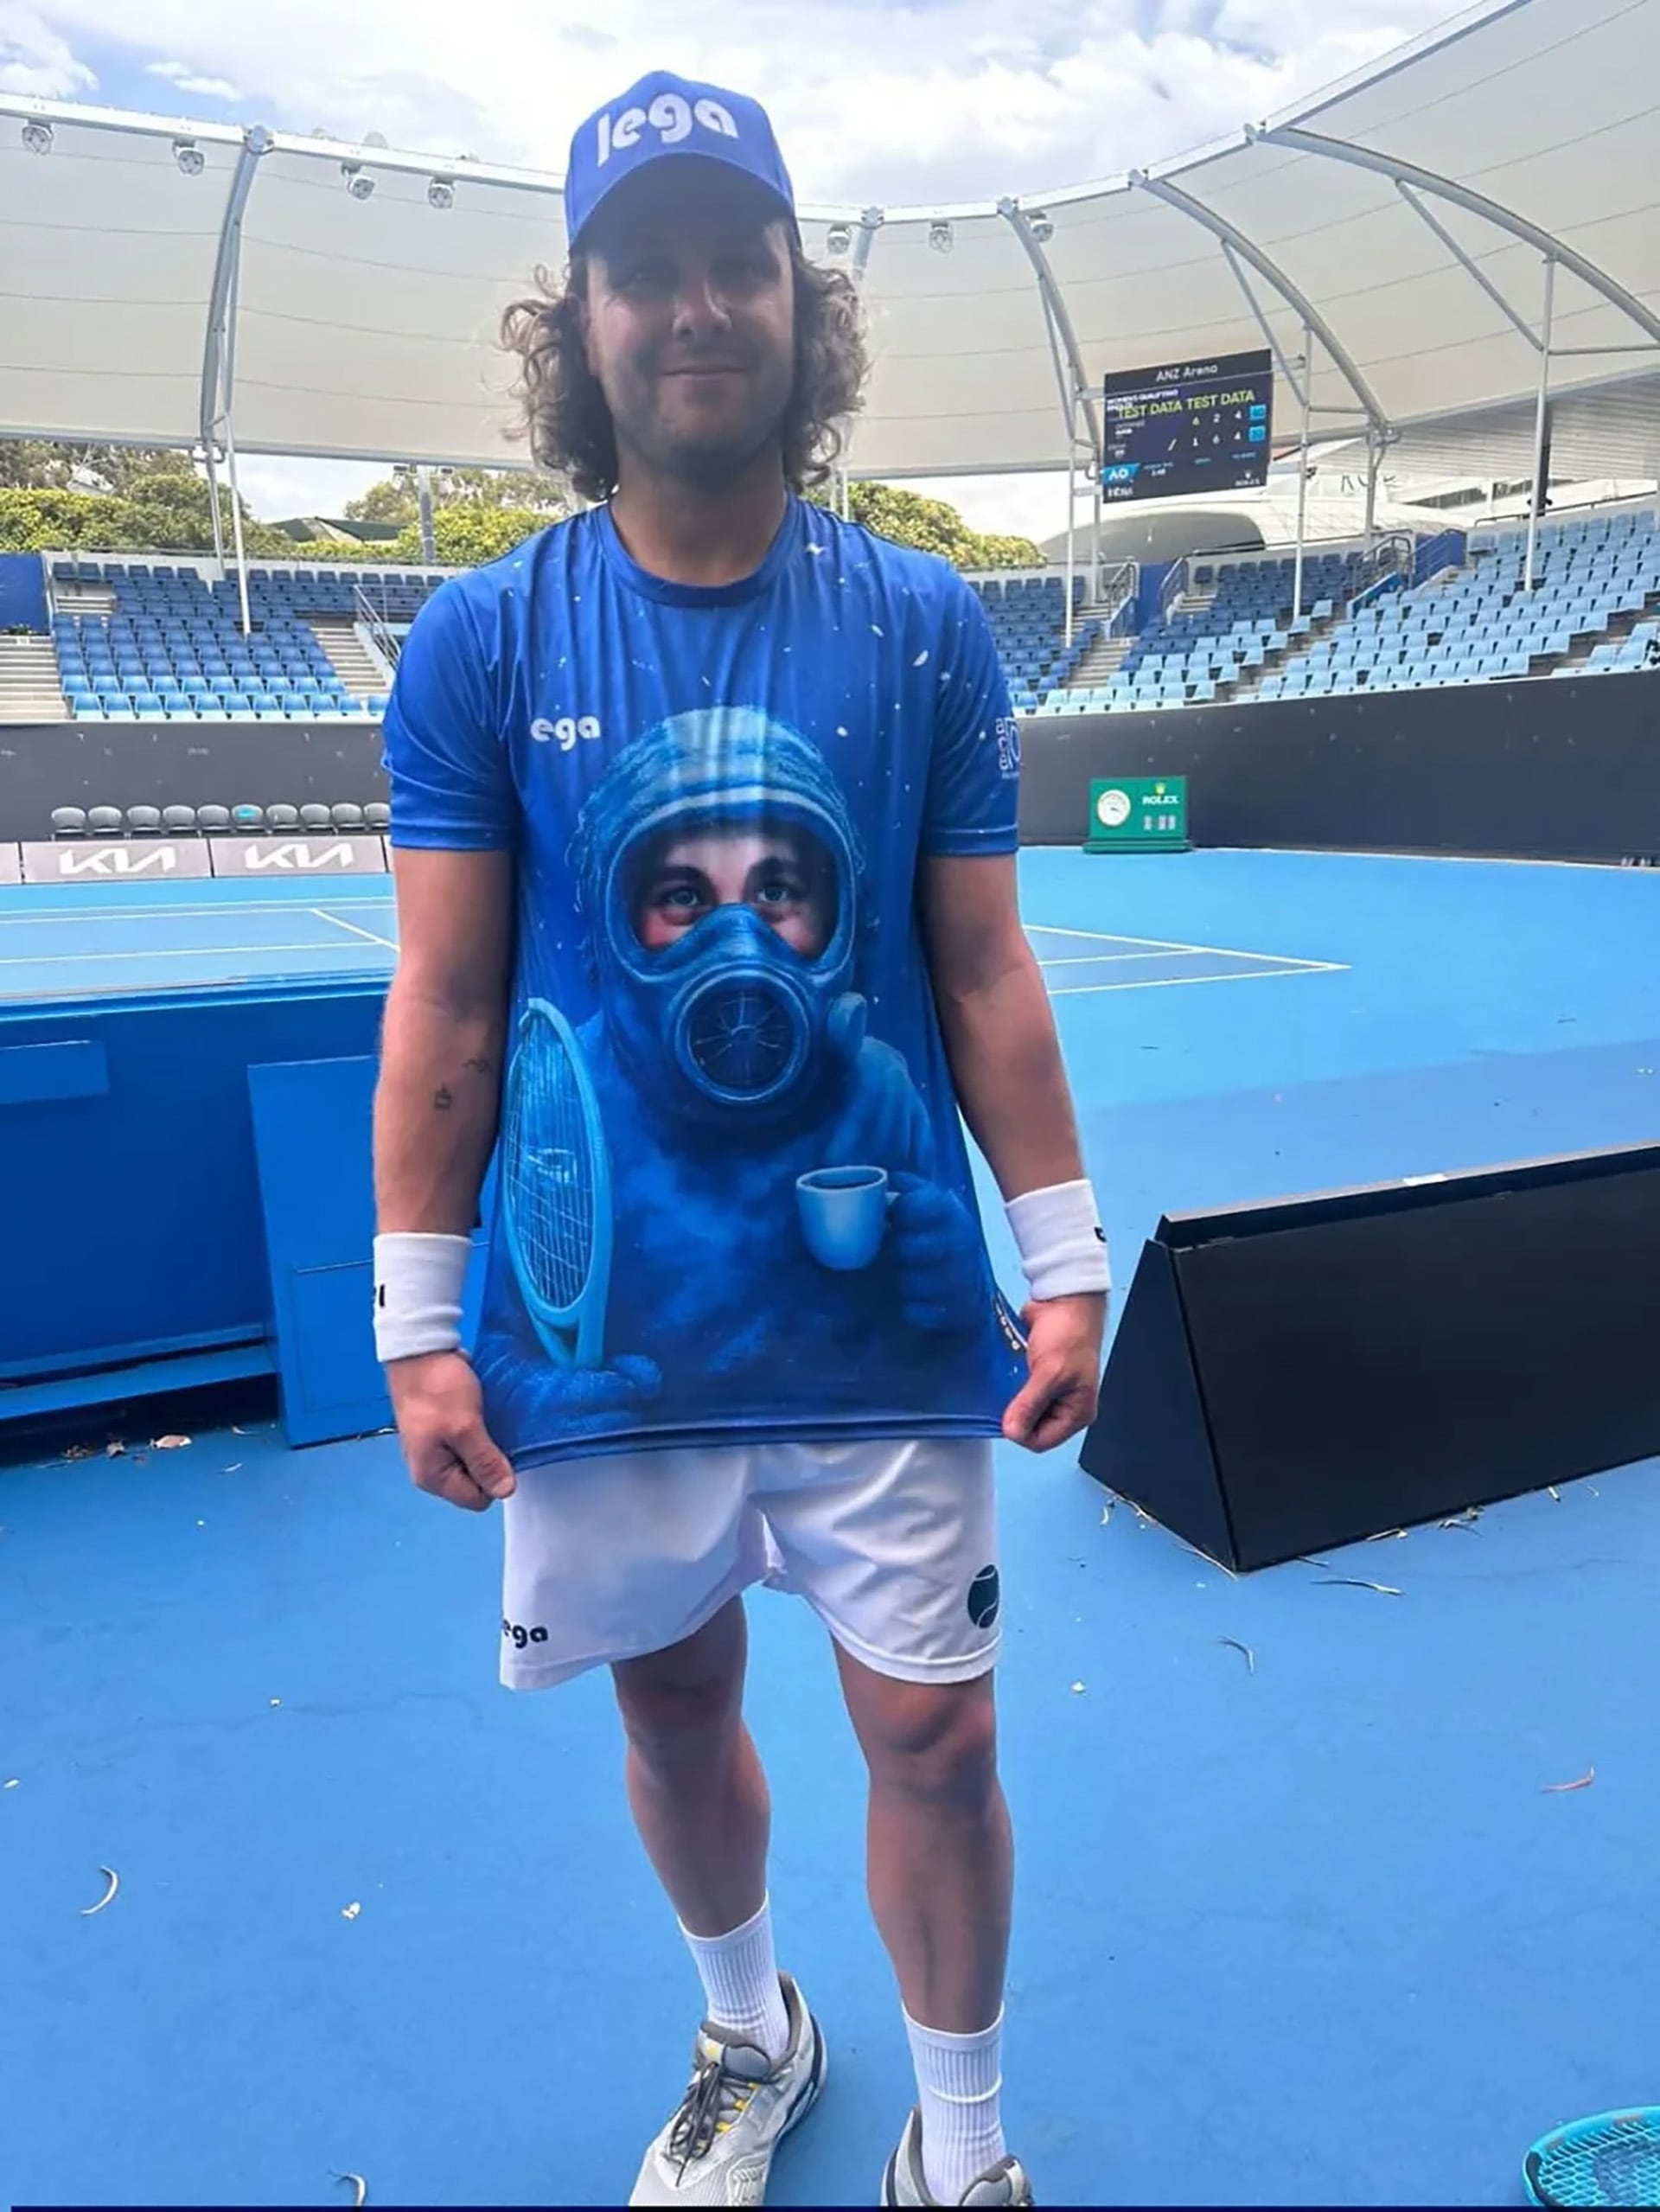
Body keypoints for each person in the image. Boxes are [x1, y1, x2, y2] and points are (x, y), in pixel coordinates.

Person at [372, 69, 1109, 2209]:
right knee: (674, 1714)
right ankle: (749, 2032)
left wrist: (1058, 1254)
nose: (697, 306)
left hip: (881, 1328)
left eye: (737, 261)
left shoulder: (926, 623)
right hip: (600, 1338)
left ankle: (958, 2147)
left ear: (801, 301)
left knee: (939, 1736)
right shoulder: (485, 637)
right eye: (645, 270)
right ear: (577, 322)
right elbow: (452, 1005)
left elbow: (979, 966)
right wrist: (424, 1322)